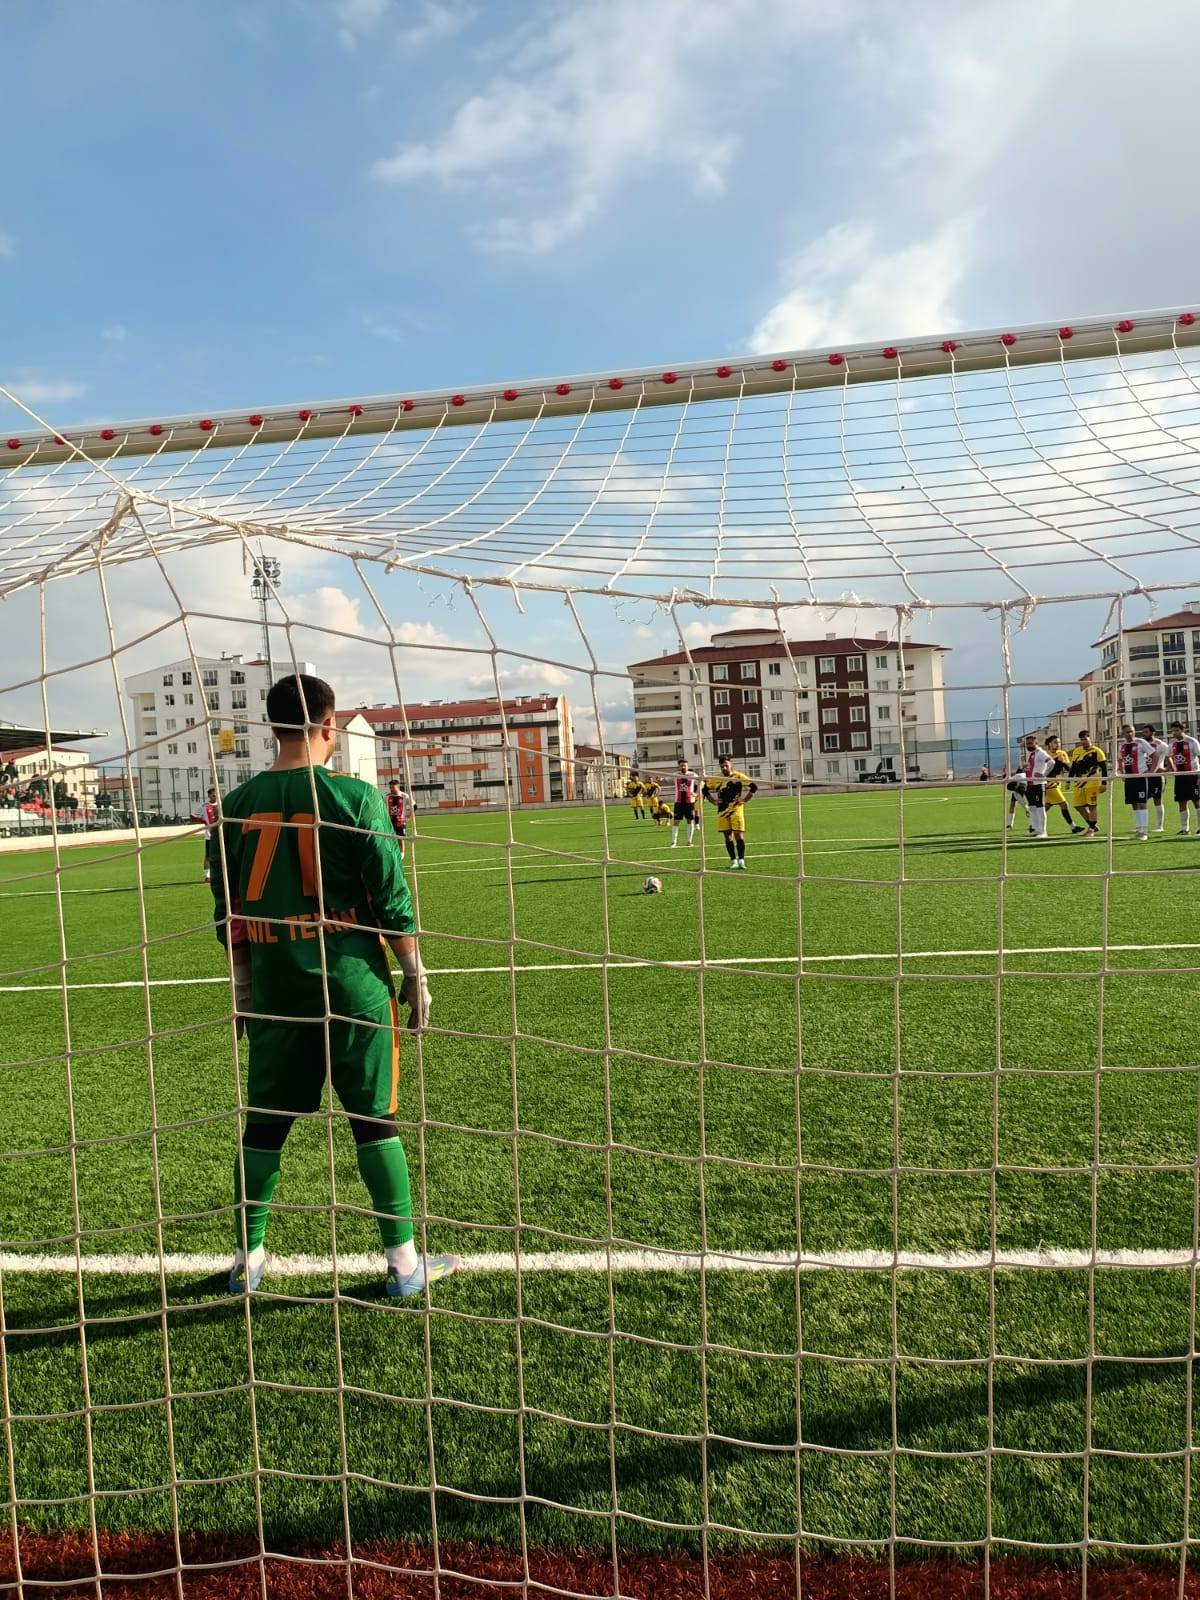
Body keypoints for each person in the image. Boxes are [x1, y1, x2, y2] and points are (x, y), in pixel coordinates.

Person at [212, 672, 460, 1301]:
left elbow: (227, 913)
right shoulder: (355, 797)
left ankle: (247, 1259)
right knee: (375, 1121)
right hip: (353, 987)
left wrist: (243, 990)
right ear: (329, 725)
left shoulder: (234, 805)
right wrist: (414, 972)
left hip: (277, 989)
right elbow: (390, 896)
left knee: (264, 1124)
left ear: (272, 727)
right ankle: (403, 1265)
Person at [702, 756, 757, 870]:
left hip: (736, 810)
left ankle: (741, 860)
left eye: (726, 766)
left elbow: (754, 787)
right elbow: (704, 790)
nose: (724, 768)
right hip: (722, 811)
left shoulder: (739, 776)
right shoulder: (717, 778)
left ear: (731, 765)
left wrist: (744, 800)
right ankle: (733, 861)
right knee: (727, 836)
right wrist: (713, 801)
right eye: (722, 766)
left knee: (738, 834)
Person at [1116, 722, 1157, 841]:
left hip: (1140, 777)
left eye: (1132, 731)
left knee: (1142, 802)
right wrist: (1122, 772)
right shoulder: (1122, 746)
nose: (1130, 733)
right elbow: (1120, 760)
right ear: (1123, 733)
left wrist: (1151, 770)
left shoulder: (1141, 742)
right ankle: (1139, 828)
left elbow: (1155, 755)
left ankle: (1144, 831)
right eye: (1127, 732)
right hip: (1129, 778)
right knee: (1133, 803)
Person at [1067, 729, 1107, 840]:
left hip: (1092, 783)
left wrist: (1104, 783)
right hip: (1079, 783)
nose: (1083, 741)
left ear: (1090, 738)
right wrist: (1068, 780)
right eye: (1081, 739)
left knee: (1092, 806)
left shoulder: (1097, 751)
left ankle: (1091, 829)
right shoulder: (1077, 751)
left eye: (1085, 739)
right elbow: (1073, 767)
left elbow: (1104, 769)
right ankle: (1092, 825)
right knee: (1078, 806)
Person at [1042, 736, 1084, 834]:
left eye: (1059, 742)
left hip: (1057, 783)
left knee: (1047, 806)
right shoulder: (1045, 755)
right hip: (1049, 784)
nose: (1058, 744)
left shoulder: (1062, 753)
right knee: (1064, 804)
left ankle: (1033, 825)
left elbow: (1067, 768)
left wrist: (1063, 763)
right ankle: (1073, 827)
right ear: (1049, 744)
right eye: (1055, 742)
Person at [1018, 733, 1054, 840]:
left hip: (1039, 784)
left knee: (1040, 807)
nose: (1028, 745)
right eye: (1027, 744)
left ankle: (1043, 831)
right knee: (1033, 808)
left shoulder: (1040, 753)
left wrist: (1044, 775)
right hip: (1030, 784)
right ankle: (1036, 829)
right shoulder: (1032, 754)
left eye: (1031, 743)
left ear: (1036, 743)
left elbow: (1051, 762)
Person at [1168, 721, 1200, 836]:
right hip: (1180, 777)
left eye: (1176, 730)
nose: (1174, 733)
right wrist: (1173, 768)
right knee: (1181, 802)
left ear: (1183, 730)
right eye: (1173, 731)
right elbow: (1168, 756)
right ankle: (1184, 829)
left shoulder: (1192, 742)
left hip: (1193, 775)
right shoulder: (1172, 744)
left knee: (1197, 801)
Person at [1142, 724, 1171, 834]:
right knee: (1141, 800)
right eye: (1143, 732)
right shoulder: (1142, 744)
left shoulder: (1161, 745)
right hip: (1145, 776)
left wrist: (1165, 769)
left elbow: (1170, 758)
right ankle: (1142, 826)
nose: (1144, 734)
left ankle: (1159, 826)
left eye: (1146, 732)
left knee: (1157, 800)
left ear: (1153, 733)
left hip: (1157, 777)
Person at [192, 786, 220, 883]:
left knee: (223, 855)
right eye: (213, 795)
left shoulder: (222, 804)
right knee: (208, 856)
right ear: (209, 796)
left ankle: (221, 875)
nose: (216, 797)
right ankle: (207, 876)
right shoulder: (204, 806)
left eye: (217, 795)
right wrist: (204, 821)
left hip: (222, 835)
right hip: (210, 836)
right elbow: (193, 817)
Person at [671, 758, 700, 848]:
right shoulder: (675, 774)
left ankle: (689, 841)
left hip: (689, 803)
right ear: (679, 766)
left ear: (687, 766)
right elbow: (665, 778)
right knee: (676, 822)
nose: (683, 767)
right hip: (678, 802)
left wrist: (697, 793)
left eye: (685, 765)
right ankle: (673, 842)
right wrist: (660, 779)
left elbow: (702, 782)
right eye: (681, 766)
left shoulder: (693, 774)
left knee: (689, 821)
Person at [385, 778, 413, 859]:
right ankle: (392, 853)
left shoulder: (404, 796)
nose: (391, 789)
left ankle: (402, 854)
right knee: (390, 838)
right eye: (390, 787)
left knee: (400, 838)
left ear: (398, 787)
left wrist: (409, 817)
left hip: (400, 821)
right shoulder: (387, 796)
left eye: (393, 787)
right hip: (389, 821)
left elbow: (414, 806)